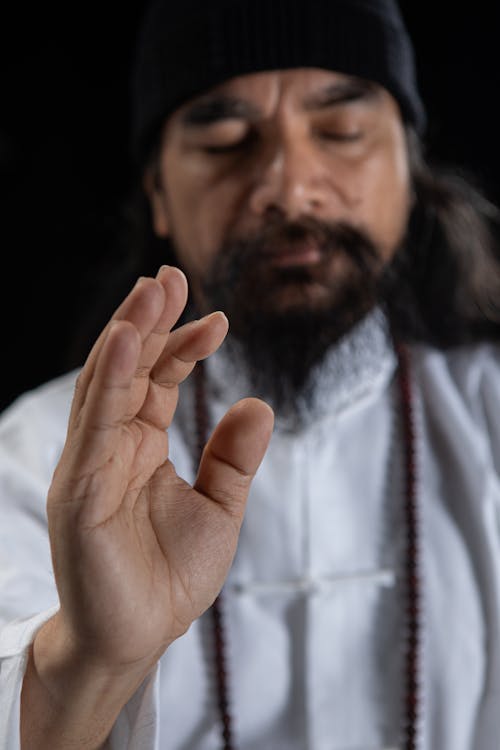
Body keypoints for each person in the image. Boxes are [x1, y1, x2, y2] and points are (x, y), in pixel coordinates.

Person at [1, 0, 500, 748]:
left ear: (409, 164)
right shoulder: (39, 453)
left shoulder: (491, 414)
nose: (291, 187)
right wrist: (93, 661)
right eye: (228, 139)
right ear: (159, 194)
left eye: (341, 130)